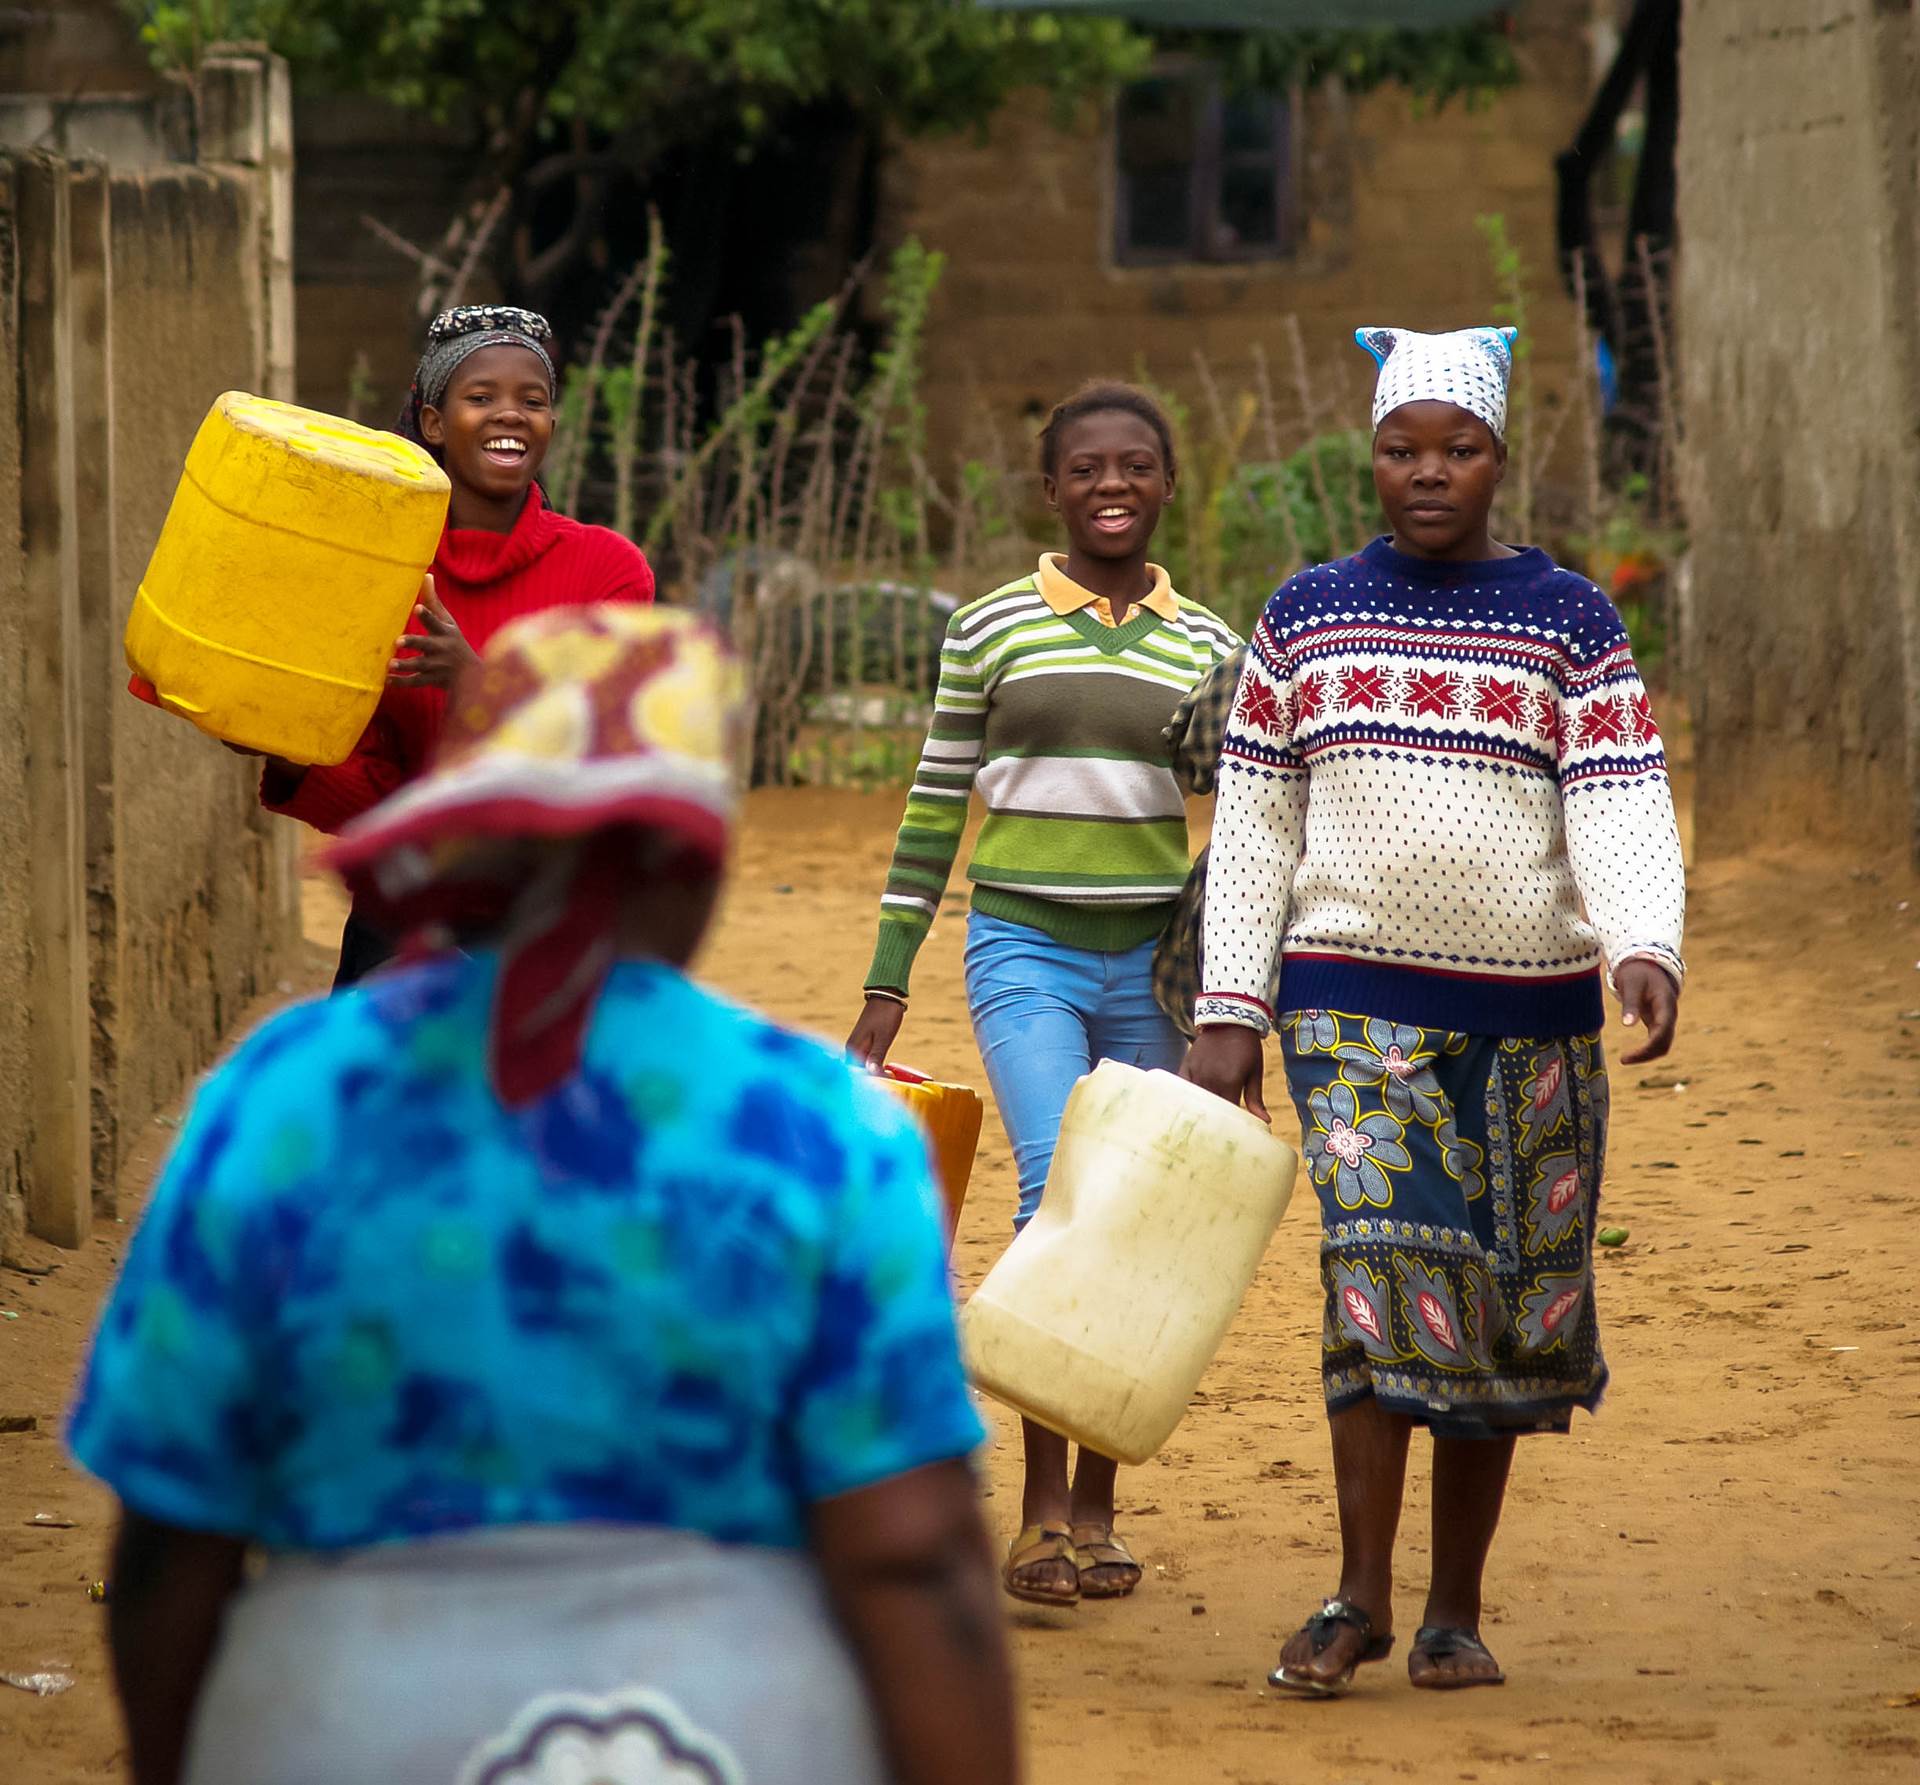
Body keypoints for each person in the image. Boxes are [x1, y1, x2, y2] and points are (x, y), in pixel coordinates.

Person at [69, 606, 1015, 1785]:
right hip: (725, 1733)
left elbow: (170, 1535)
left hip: (338, 1723)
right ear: (703, 854)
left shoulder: (282, 1097)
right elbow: (911, 1554)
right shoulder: (819, 1128)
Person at [1183, 324, 1685, 1695]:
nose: (1428, 473)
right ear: (1371, 453)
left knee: (1508, 1304)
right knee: (1383, 1274)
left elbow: (1620, 792)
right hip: (1349, 1008)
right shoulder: (1304, 616)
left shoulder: (1570, 617)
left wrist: (1644, 939)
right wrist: (1231, 997)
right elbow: (1255, 825)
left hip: (1533, 1015)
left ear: (1499, 457)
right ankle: (1357, 1596)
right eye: (1403, 448)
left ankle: (1453, 1609)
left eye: (1457, 450)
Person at [847, 382, 1239, 1609]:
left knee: (1130, 1223)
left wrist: (1234, 993)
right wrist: (885, 982)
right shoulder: (989, 627)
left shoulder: (1212, 645)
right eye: (1086, 470)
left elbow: (1253, 823)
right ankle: (1037, 1513)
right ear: (1052, 488)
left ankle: (1100, 1514)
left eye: (1135, 466)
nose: (1111, 487)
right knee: (1052, 1193)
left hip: (1150, 969)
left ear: (1167, 483)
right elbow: (932, 805)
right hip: (1023, 948)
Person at [254, 304, 655, 987]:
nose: (510, 413)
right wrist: (291, 747)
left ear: (551, 424)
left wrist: (476, 680)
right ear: (435, 424)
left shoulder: (608, 570)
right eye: (481, 397)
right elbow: (377, 793)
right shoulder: (384, 577)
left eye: (532, 400)